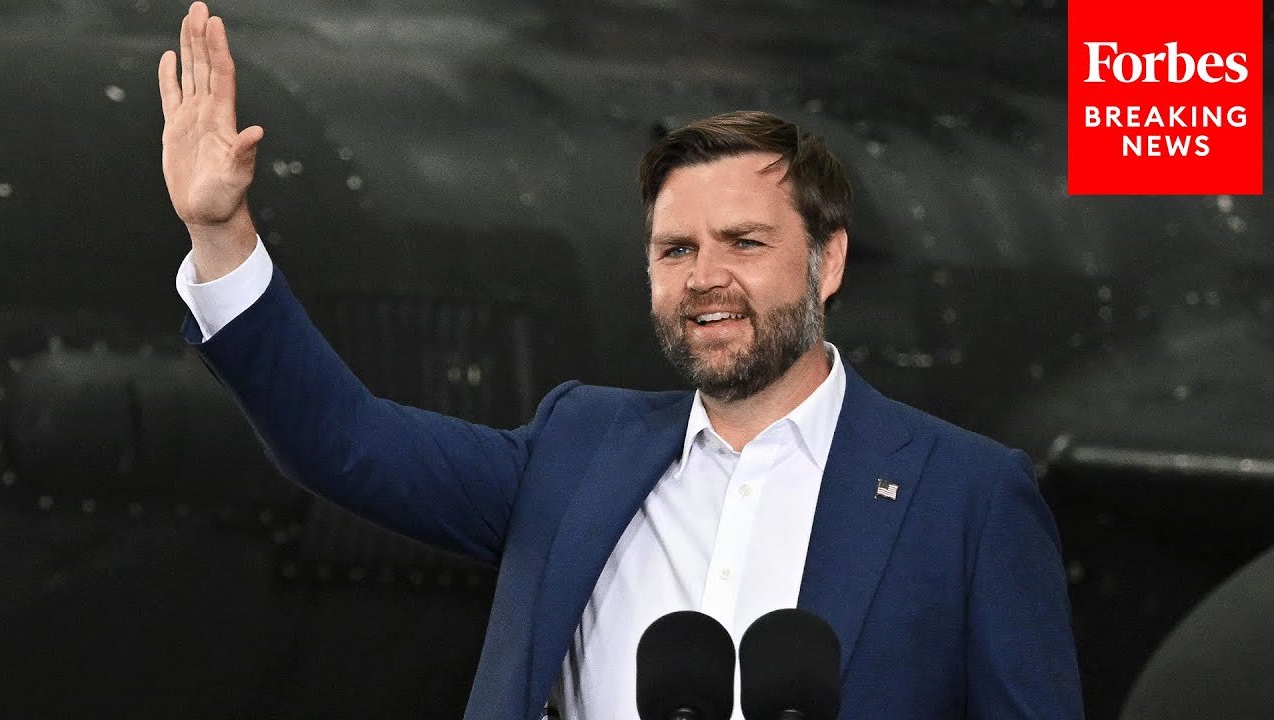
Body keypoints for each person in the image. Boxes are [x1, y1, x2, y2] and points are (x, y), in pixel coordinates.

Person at [159, 3, 1083, 718]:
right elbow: (342, 441)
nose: (706, 277)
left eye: (745, 243)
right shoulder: (573, 449)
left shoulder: (965, 496)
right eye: (676, 250)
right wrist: (221, 230)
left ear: (828, 260)